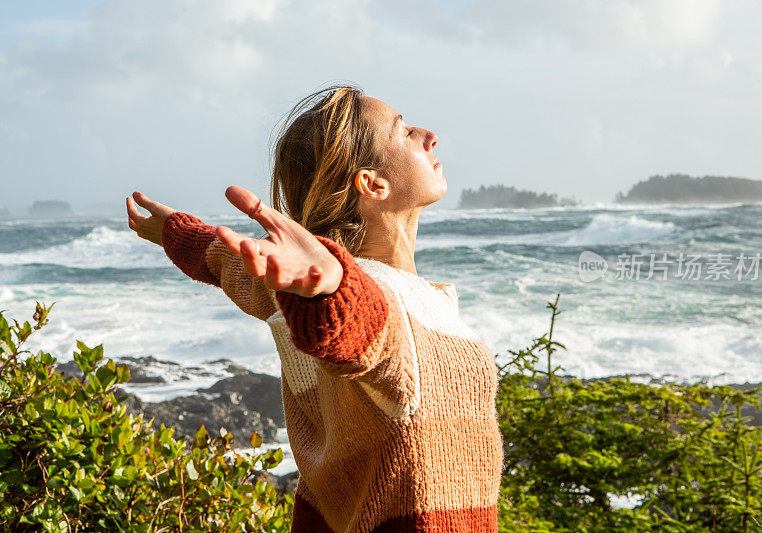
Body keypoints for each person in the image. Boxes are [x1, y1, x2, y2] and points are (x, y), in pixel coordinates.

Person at [126, 85, 504, 532]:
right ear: (372, 184)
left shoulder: (296, 291)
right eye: (404, 131)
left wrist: (178, 231)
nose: (429, 135)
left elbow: (230, 264)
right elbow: (364, 330)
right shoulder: (378, 298)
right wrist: (334, 289)